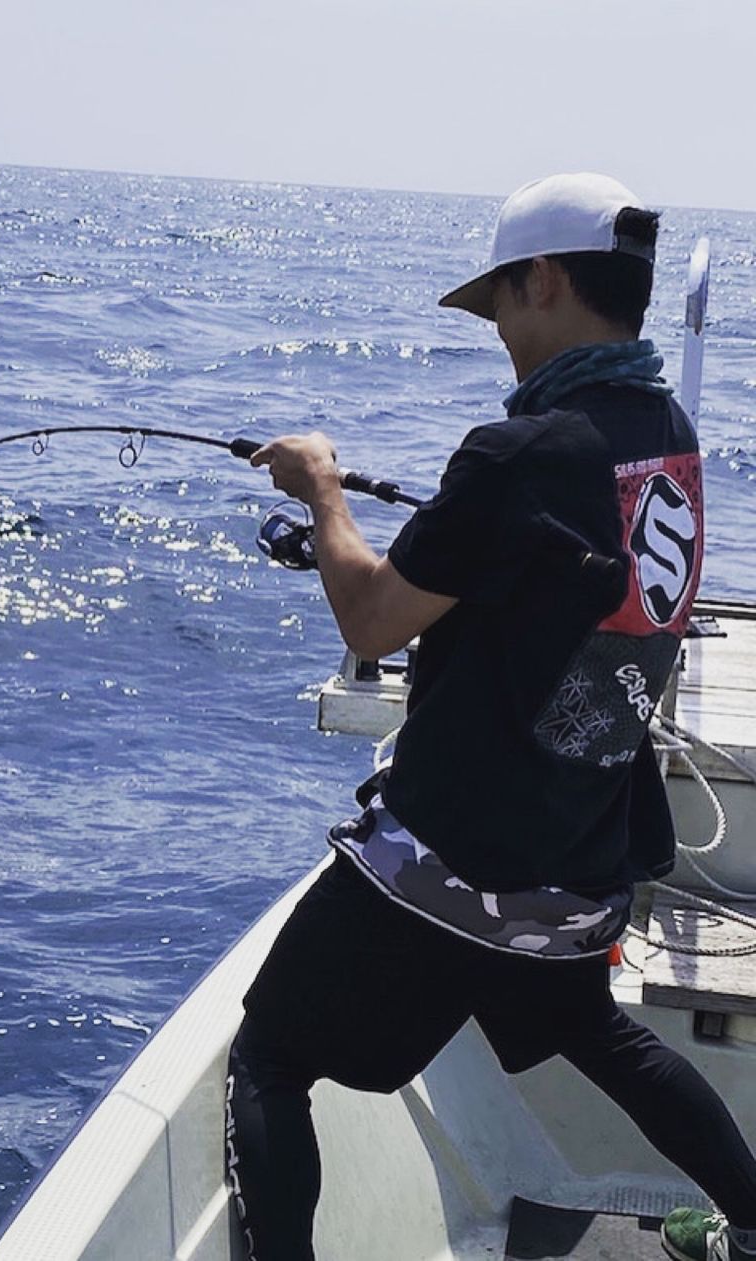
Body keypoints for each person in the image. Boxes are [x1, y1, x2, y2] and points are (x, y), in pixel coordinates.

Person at [226, 172, 756, 1261]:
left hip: (459, 869)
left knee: (269, 1057)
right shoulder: (669, 435)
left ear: (547, 280)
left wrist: (322, 493)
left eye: (502, 304)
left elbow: (373, 620)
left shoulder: (520, 451)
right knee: (588, 1029)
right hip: (580, 865)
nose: (500, 333)